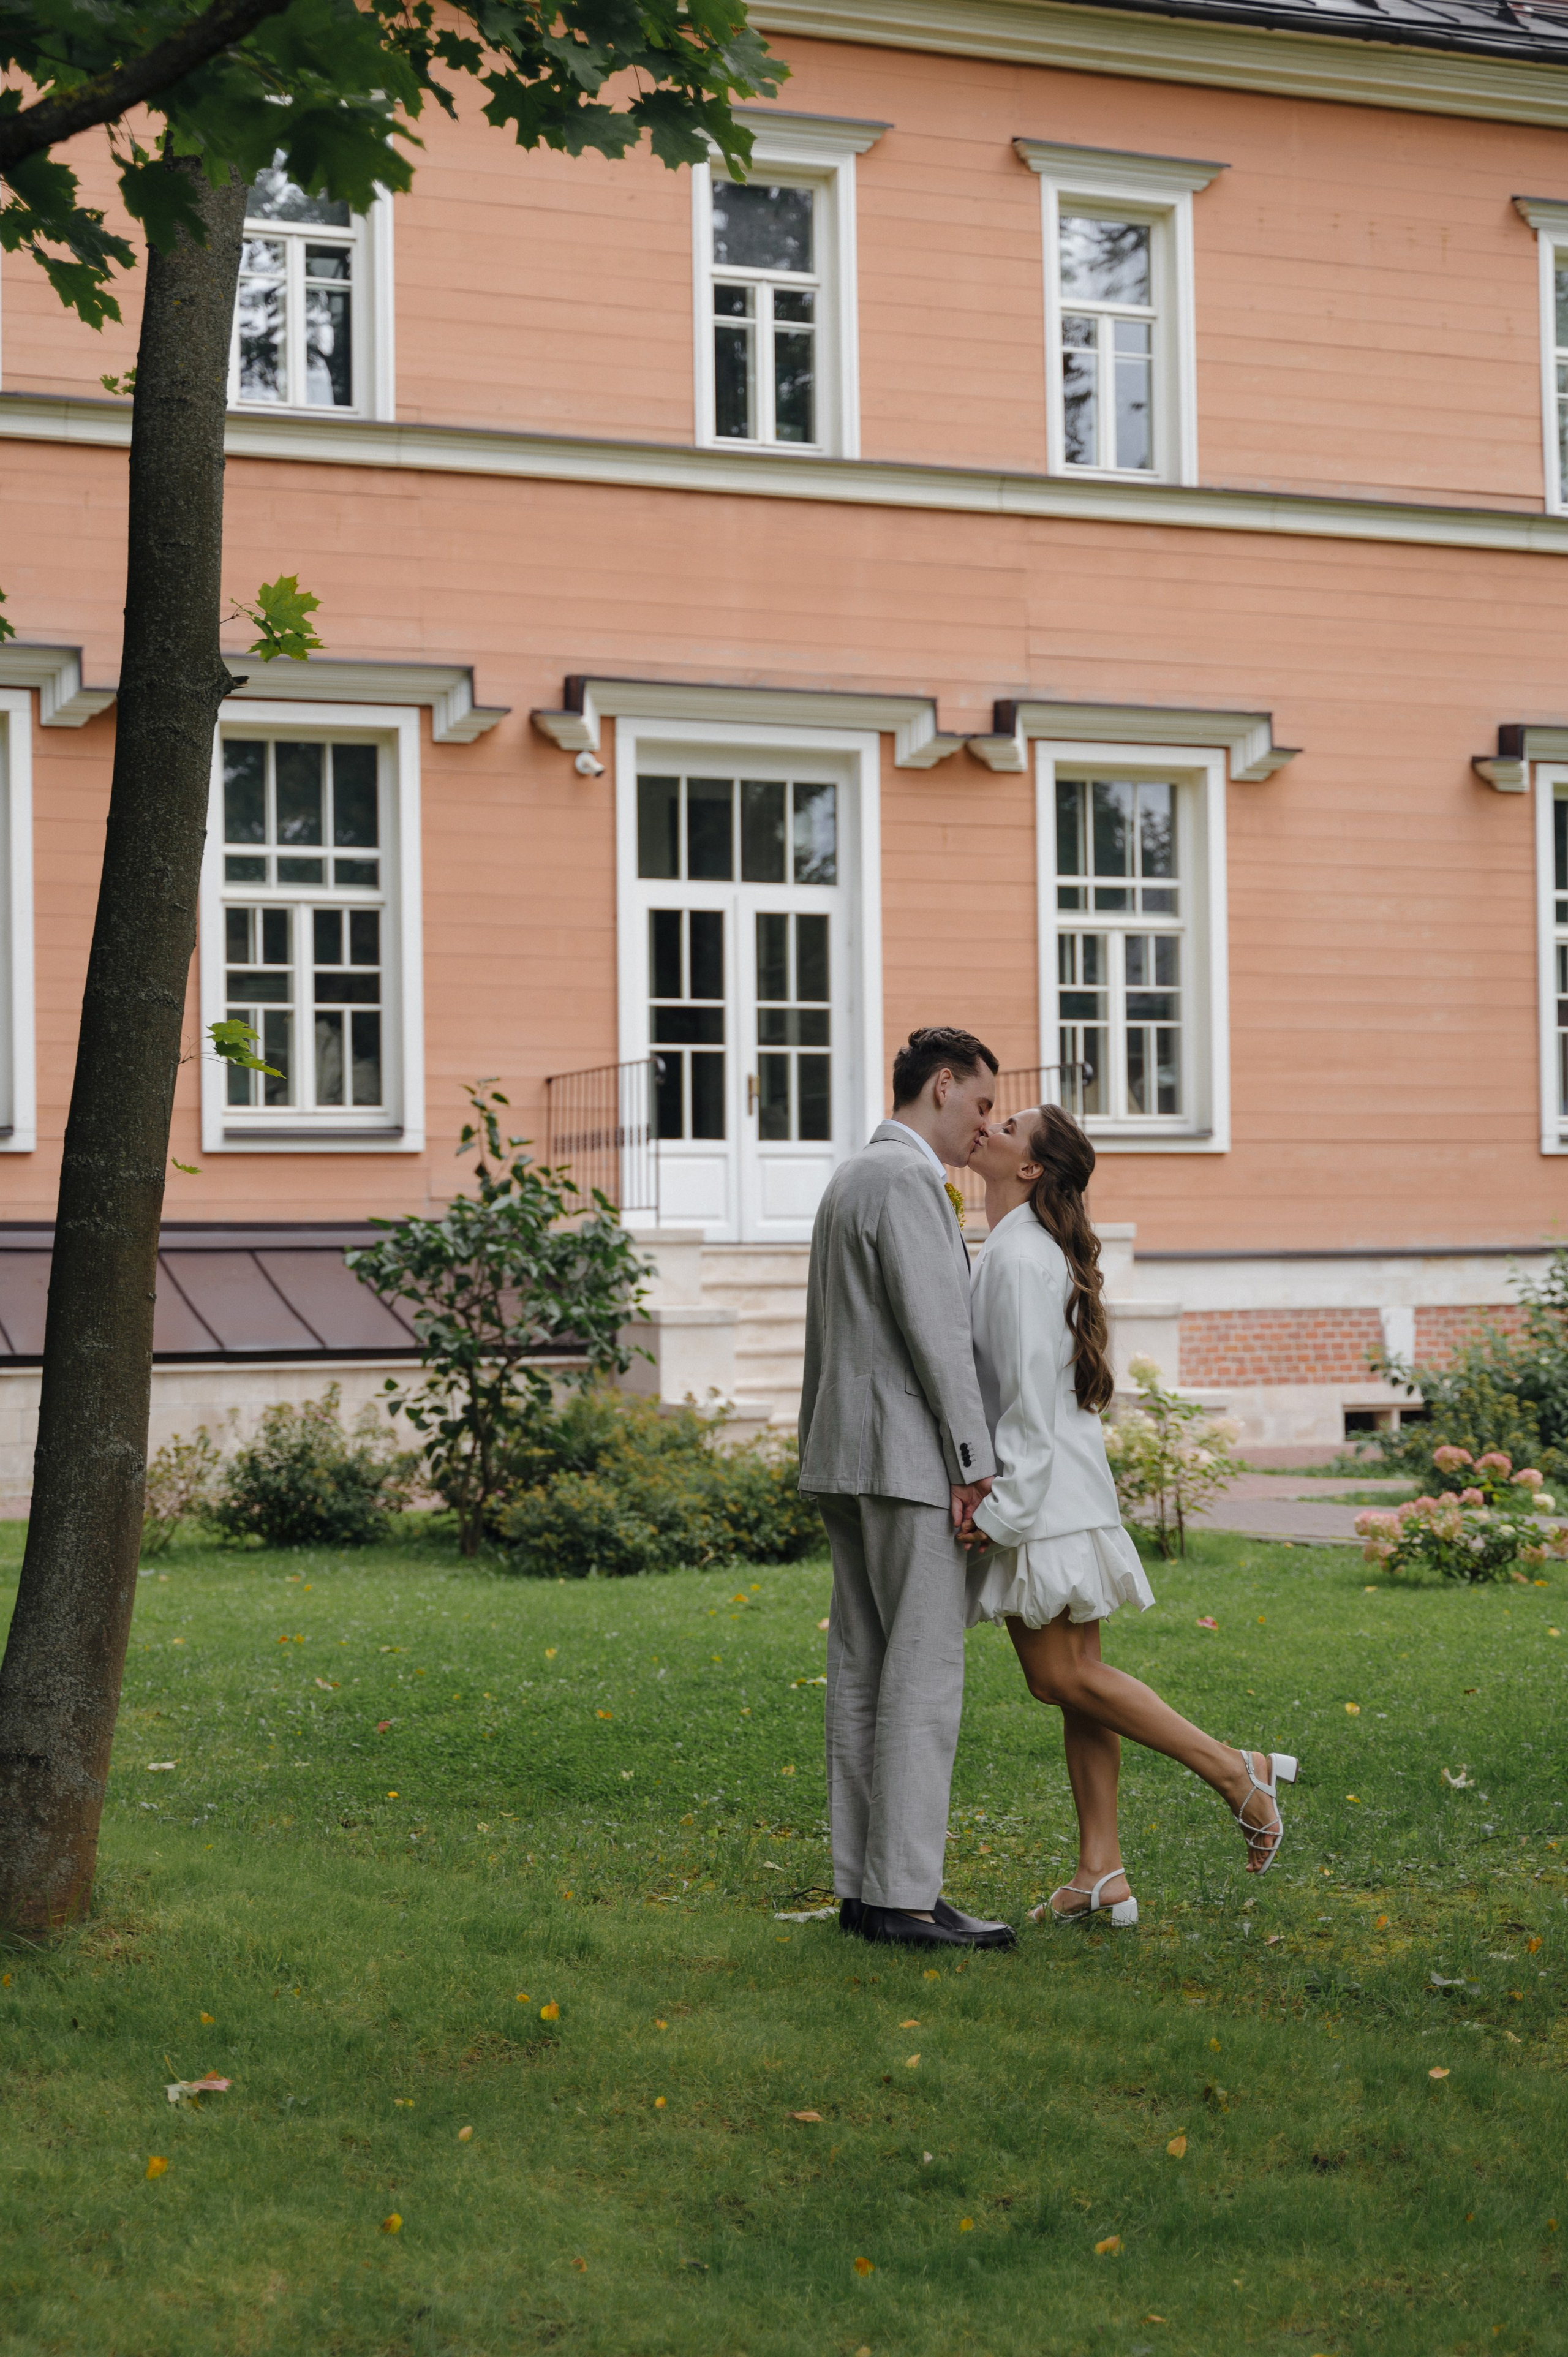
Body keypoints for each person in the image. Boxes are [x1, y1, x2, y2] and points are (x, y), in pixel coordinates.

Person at [959, 1103, 1299, 1925]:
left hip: (1040, 1495)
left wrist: (1002, 1512)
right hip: (1064, 1488)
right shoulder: (1020, 1247)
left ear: (1030, 1167)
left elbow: (1025, 1404)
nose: (988, 1125)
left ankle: (1235, 1771)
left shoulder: (1018, 1257)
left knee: (1059, 1677)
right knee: (1082, 1686)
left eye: (1007, 1124)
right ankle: (1100, 1873)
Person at [799, 1027, 1016, 1951]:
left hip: (845, 1456)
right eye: (981, 1105)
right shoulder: (908, 1182)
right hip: (905, 1462)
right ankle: (904, 1898)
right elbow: (940, 1338)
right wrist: (974, 1462)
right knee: (923, 1675)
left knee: (862, 1669)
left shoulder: (851, 1175)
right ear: (942, 1086)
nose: (985, 1127)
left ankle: (865, 1889)